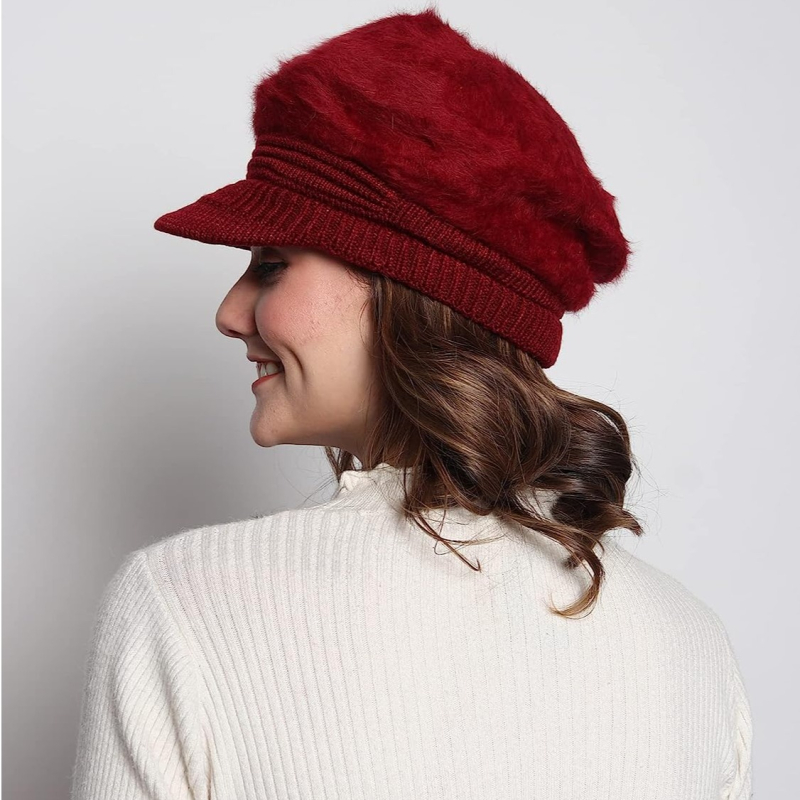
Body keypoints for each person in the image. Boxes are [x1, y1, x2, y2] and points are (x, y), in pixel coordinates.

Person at [70, 7, 753, 800]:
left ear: (404, 285)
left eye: (272, 264)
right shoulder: (691, 643)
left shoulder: (183, 604)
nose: (229, 312)